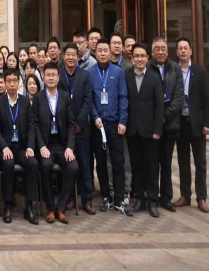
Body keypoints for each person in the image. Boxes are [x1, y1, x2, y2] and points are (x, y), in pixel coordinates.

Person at [90, 39, 133, 216]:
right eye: (99, 51)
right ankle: (106, 197)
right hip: (98, 125)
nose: (102, 53)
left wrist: (123, 121)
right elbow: (89, 99)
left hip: (115, 124)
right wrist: (95, 116)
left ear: (110, 52)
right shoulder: (90, 72)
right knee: (101, 163)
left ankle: (119, 199)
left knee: (118, 162)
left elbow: (123, 97)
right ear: (95, 53)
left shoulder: (117, 72)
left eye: (105, 50)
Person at [34, 62, 78, 224]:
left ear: (58, 78)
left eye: (53, 75)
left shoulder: (65, 97)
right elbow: (35, 125)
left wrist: (70, 147)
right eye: (48, 75)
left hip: (62, 145)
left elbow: (71, 124)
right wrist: (41, 146)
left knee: (73, 167)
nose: (51, 78)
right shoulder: (38, 98)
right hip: (46, 145)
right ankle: (50, 208)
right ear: (43, 77)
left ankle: (61, 207)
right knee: (45, 166)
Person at [0, 69, 39, 225]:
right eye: (9, 81)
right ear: (5, 83)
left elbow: (31, 126)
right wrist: (4, 148)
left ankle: (29, 207)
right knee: (8, 164)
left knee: (33, 163)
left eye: (15, 81)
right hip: (5, 148)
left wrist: (30, 147)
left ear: (19, 83)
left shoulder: (25, 102)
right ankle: (7, 205)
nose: (12, 84)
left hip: (21, 148)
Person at [125, 43, 163, 218]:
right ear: (132, 58)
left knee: (152, 166)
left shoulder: (154, 77)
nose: (139, 59)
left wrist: (157, 128)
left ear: (147, 58)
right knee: (137, 166)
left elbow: (159, 105)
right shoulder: (127, 76)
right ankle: (140, 197)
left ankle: (152, 199)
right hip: (133, 130)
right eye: (136, 56)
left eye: (142, 56)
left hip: (150, 131)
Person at [58, 43, 95, 214]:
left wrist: (78, 123)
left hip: (82, 129)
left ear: (78, 57)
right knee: (68, 166)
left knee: (85, 165)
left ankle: (87, 200)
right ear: (64, 56)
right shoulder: (58, 74)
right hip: (64, 129)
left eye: (74, 54)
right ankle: (70, 198)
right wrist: (70, 125)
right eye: (68, 54)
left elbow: (88, 101)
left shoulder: (85, 75)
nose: (71, 57)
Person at [148, 37, 184, 212]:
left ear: (167, 51)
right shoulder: (147, 68)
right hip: (151, 127)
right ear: (152, 52)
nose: (161, 52)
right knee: (152, 164)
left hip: (170, 125)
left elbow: (178, 97)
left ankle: (166, 198)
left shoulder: (175, 68)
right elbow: (145, 98)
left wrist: (164, 117)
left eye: (163, 49)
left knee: (167, 163)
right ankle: (152, 198)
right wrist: (156, 119)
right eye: (157, 49)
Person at [174, 38, 209, 213]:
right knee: (183, 161)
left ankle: (201, 197)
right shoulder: (174, 71)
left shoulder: (200, 71)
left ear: (191, 51)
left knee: (200, 162)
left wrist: (207, 123)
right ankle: (185, 195)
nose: (183, 51)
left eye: (185, 48)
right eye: (180, 48)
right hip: (180, 123)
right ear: (177, 52)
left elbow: (207, 99)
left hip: (197, 123)